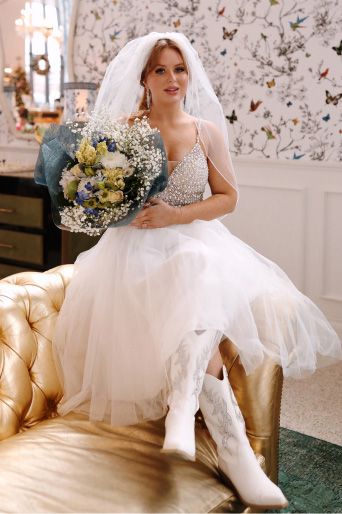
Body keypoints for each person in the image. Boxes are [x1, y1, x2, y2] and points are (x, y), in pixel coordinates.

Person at [52, 32, 342, 510]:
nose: (172, 79)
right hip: (134, 255)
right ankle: (238, 459)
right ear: (144, 78)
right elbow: (101, 203)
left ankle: (184, 408)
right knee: (196, 272)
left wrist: (175, 216)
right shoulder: (125, 130)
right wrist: (112, 203)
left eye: (180, 69)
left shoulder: (206, 131)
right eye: (161, 70)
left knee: (198, 265)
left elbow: (228, 198)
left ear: (190, 76)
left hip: (196, 243)